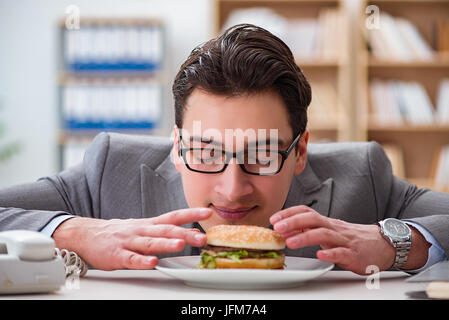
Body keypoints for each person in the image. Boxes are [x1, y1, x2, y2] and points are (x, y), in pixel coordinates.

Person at [0, 24, 448, 275]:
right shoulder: (110, 168)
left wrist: (398, 243)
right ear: (176, 147)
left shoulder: (362, 174)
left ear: (300, 151)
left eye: (263, 154)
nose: (233, 190)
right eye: (206, 152)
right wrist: (76, 233)